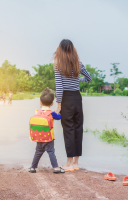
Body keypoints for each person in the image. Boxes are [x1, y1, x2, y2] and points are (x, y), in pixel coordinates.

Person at [54, 39, 92, 172]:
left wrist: (59, 105)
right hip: (77, 98)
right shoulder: (78, 64)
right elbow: (89, 78)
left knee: (68, 130)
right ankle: (76, 163)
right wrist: (77, 80)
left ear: (60, 50)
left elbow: (59, 87)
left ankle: (68, 163)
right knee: (78, 129)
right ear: (72, 49)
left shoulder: (58, 65)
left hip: (66, 99)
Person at [28, 88, 65, 174]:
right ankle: (56, 168)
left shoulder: (37, 111)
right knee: (51, 152)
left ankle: (33, 168)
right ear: (52, 103)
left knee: (38, 152)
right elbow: (59, 117)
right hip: (48, 138)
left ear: (40, 103)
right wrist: (59, 110)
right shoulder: (51, 113)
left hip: (38, 137)